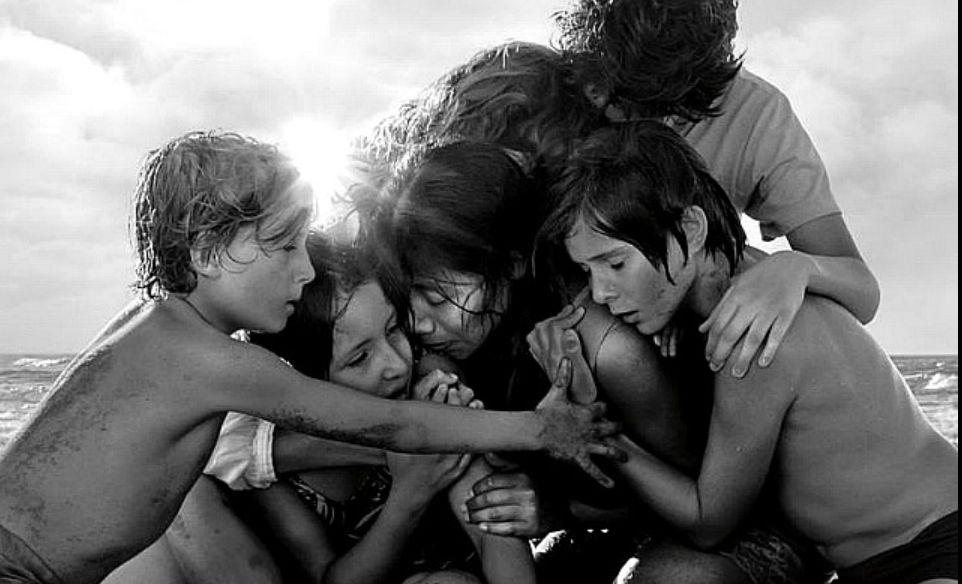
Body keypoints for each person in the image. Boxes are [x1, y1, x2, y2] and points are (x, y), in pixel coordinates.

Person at [0, 130, 621, 584]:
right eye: (283, 246)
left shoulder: (150, 328)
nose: (303, 270)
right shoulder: (207, 359)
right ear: (208, 253)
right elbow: (393, 426)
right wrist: (540, 428)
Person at [383, 140, 826, 584]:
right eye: (408, 299)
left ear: (512, 264)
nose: (418, 324)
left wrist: (564, 504)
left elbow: (709, 503)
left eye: (438, 298)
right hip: (604, 531)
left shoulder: (606, 346)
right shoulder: (444, 356)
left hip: (736, 530)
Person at [536, 120, 958, 584]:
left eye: (615, 263)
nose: (600, 292)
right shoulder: (732, 284)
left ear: (690, 229)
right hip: (865, 561)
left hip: (935, 544)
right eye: (587, 271)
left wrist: (592, 433)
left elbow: (708, 523)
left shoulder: (752, 333)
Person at [554, 0, 881, 376]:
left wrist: (796, 268)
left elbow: (862, 293)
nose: (634, 123)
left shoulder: (758, 117)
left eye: (661, 110)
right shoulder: (573, 89)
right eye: (612, 100)